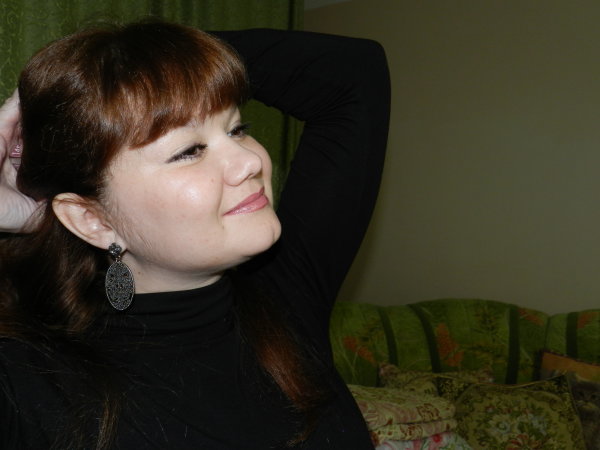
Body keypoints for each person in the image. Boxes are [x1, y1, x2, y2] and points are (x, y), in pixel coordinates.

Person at [0, 21, 390, 449]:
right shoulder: (28, 381)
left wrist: (148, 61)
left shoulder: (285, 295)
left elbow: (355, 73)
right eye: (189, 151)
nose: (249, 162)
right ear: (92, 220)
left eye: (237, 129)